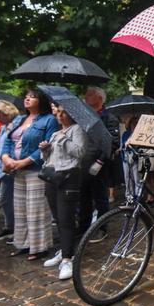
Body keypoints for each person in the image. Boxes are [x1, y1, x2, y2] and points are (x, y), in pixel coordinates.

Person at [1, 89, 58, 260]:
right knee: (20, 210)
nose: (27, 98)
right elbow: (8, 141)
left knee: (36, 210)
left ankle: (39, 247)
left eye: (32, 97)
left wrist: (23, 162)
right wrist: (6, 158)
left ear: (41, 100)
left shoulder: (49, 120)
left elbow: (47, 147)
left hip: (35, 170)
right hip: (16, 170)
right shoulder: (19, 119)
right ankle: (23, 244)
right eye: (26, 96)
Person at [40, 106, 87, 280]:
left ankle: (68, 259)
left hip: (69, 177)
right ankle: (64, 250)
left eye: (64, 112)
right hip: (53, 177)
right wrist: (45, 149)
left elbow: (80, 153)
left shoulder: (77, 130)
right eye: (58, 112)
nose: (59, 115)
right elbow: (48, 158)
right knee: (58, 217)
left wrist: (64, 140)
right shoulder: (55, 133)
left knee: (67, 218)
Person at [79, 86, 120, 240]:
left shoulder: (109, 118)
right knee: (83, 197)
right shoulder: (83, 116)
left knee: (100, 197)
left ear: (99, 99)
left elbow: (113, 142)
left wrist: (100, 161)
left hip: (99, 165)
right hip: (83, 162)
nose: (86, 96)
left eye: (90, 94)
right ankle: (83, 227)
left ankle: (102, 228)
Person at [0, 101, 20, 241]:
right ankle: (10, 226)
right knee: (6, 198)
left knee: (6, 198)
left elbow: (13, 148)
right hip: (3, 168)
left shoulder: (17, 125)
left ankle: (12, 227)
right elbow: (2, 150)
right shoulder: (4, 127)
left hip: (11, 168)